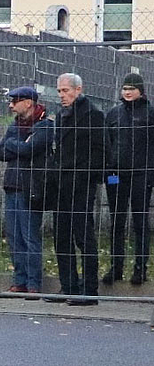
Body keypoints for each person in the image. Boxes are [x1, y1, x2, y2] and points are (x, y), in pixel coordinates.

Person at [49, 73, 107, 306]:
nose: (62, 95)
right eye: (60, 91)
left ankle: (89, 290)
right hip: (61, 184)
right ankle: (69, 285)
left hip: (82, 184)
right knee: (61, 237)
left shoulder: (93, 115)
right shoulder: (62, 116)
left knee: (84, 237)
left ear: (78, 90)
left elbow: (102, 151)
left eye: (66, 91)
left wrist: (88, 176)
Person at [0, 86, 55, 298]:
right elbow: (1, 151)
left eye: (15, 101)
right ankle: (19, 280)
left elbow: (30, 149)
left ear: (28, 103)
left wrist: (17, 146)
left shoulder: (45, 125)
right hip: (12, 185)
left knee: (29, 236)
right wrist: (19, 145)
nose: (11, 105)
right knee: (14, 237)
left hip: (31, 189)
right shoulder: (15, 126)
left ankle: (33, 283)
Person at [102, 73, 152, 286]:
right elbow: (106, 143)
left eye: (132, 88)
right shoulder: (113, 114)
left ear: (141, 90)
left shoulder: (150, 114)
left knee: (140, 222)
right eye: (125, 88)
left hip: (142, 175)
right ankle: (116, 267)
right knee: (117, 221)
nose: (128, 92)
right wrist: (107, 170)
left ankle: (140, 268)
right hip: (115, 176)